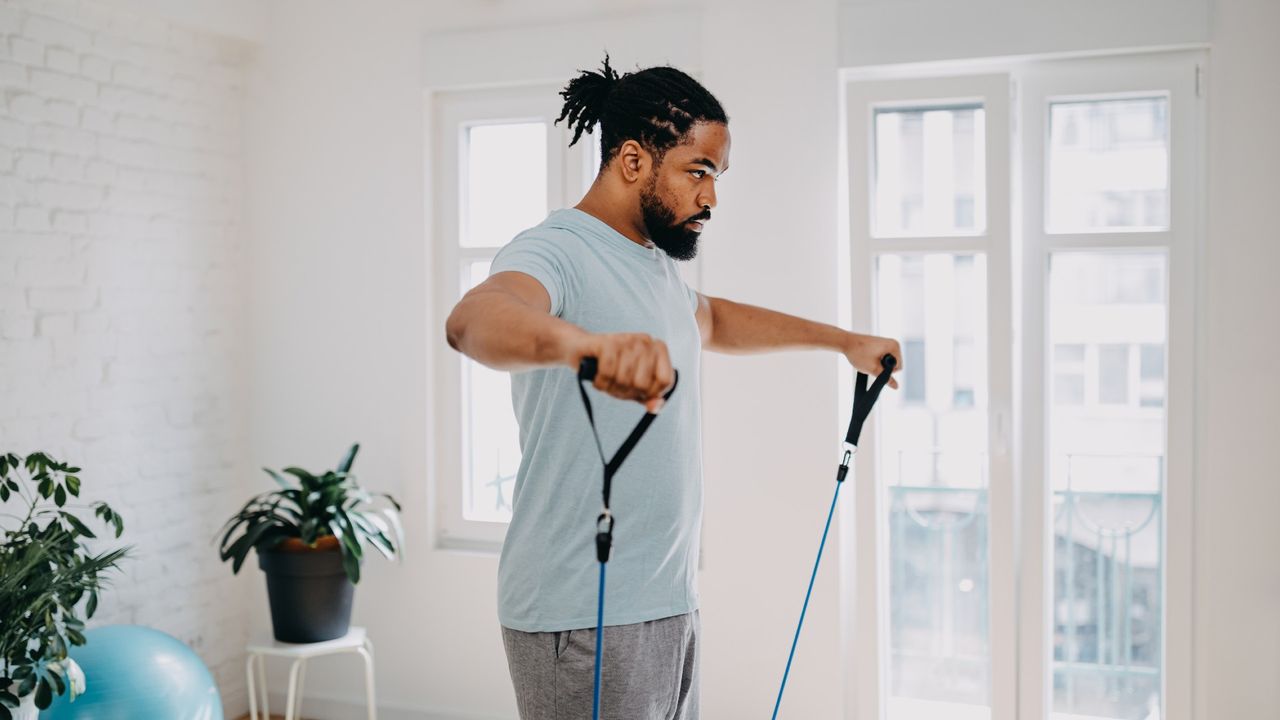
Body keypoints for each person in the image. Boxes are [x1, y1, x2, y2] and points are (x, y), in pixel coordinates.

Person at [445, 55, 902, 720]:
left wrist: (842, 342)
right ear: (633, 161)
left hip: (666, 603)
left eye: (715, 176)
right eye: (699, 171)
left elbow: (710, 318)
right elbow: (474, 319)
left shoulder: (651, 265)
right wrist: (587, 347)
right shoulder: (557, 249)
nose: (710, 197)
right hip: (583, 612)